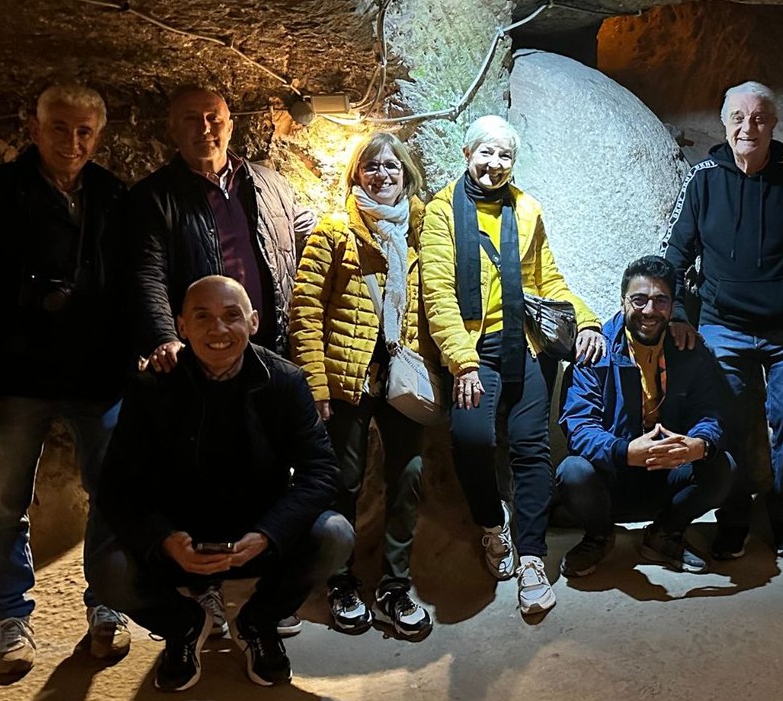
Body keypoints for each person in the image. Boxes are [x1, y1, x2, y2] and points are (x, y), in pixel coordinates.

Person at [0, 83, 130, 674]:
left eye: (85, 131)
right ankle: (10, 618)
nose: (73, 142)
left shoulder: (115, 197)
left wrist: (136, 366)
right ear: (34, 128)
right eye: (61, 127)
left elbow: (134, 284)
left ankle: (108, 606)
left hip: (97, 376)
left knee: (113, 496)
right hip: (15, 376)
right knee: (4, 501)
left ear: (98, 136)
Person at [88, 276, 350, 691]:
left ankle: (257, 622)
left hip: (256, 531)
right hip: (181, 536)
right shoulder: (153, 386)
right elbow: (118, 485)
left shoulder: (285, 382)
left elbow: (321, 472)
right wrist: (165, 538)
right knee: (107, 570)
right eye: (202, 317)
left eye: (232, 316)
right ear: (181, 326)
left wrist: (269, 534)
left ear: (254, 321)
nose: (218, 330)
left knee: (335, 534)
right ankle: (184, 626)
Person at [420, 115, 604, 616]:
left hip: (525, 349)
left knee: (531, 449)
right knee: (473, 439)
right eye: (487, 153)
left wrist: (586, 322)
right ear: (468, 154)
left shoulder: (526, 210)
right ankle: (489, 523)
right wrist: (462, 363)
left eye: (505, 156)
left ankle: (531, 557)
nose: (495, 164)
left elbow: (550, 279)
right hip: (474, 351)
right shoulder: (441, 212)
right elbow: (436, 292)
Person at [662, 81, 783, 561]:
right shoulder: (704, 178)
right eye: (738, 118)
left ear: (774, 124)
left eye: (758, 118)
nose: (747, 127)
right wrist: (678, 315)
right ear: (724, 123)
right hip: (722, 324)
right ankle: (732, 515)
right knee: (727, 423)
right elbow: (676, 251)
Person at [288, 132, 432, 638]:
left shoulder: (417, 235)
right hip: (347, 380)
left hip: (400, 378)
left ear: (406, 176)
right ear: (356, 175)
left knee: (409, 475)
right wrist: (316, 385)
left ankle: (395, 584)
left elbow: (425, 305)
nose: (383, 174)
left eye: (393, 166)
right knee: (343, 481)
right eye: (372, 166)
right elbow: (305, 307)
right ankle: (340, 580)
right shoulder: (334, 232)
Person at [555, 256, 735, 577]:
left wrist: (699, 444)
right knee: (573, 471)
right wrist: (624, 452)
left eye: (660, 300)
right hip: (612, 477)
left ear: (671, 305)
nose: (649, 310)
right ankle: (599, 536)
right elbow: (579, 427)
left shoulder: (688, 349)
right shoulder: (597, 351)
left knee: (722, 466)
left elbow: (710, 411)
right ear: (623, 300)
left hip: (667, 475)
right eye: (639, 299)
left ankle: (665, 534)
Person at [126, 87, 311, 368]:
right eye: (191, 119)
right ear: (173, 130)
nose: (204, 128)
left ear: (230, 127)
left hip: (273, 352)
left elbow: (296, 252)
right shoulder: (153, 197)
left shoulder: (272, 184)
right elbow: (148, 274)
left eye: (214, 118)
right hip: (202, 356)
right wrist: (163, 337)